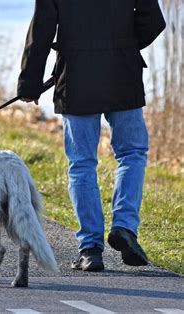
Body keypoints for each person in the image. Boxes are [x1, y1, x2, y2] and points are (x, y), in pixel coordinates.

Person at [17, 0, 166, 271]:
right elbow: (154, 21)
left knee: (82, 163)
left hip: (76, 79)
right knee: (132, 154)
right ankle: (124, 227)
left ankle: (90, 249)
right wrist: (124, 46)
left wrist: (29, 83)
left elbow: (41, 30)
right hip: (123, 74)